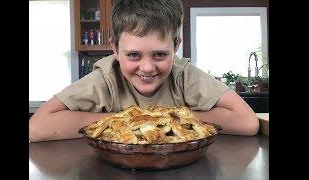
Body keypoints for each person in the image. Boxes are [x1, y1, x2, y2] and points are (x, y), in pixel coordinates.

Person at [29, 0, 259, 142]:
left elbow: (247, 122)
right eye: (133, 55)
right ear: (115, 49)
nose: (147, 68)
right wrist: (130, 120)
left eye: (160, 54)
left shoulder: (184, 75)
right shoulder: (104, 78)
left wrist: (167, 119)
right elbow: (37, 128)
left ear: (175, 47)